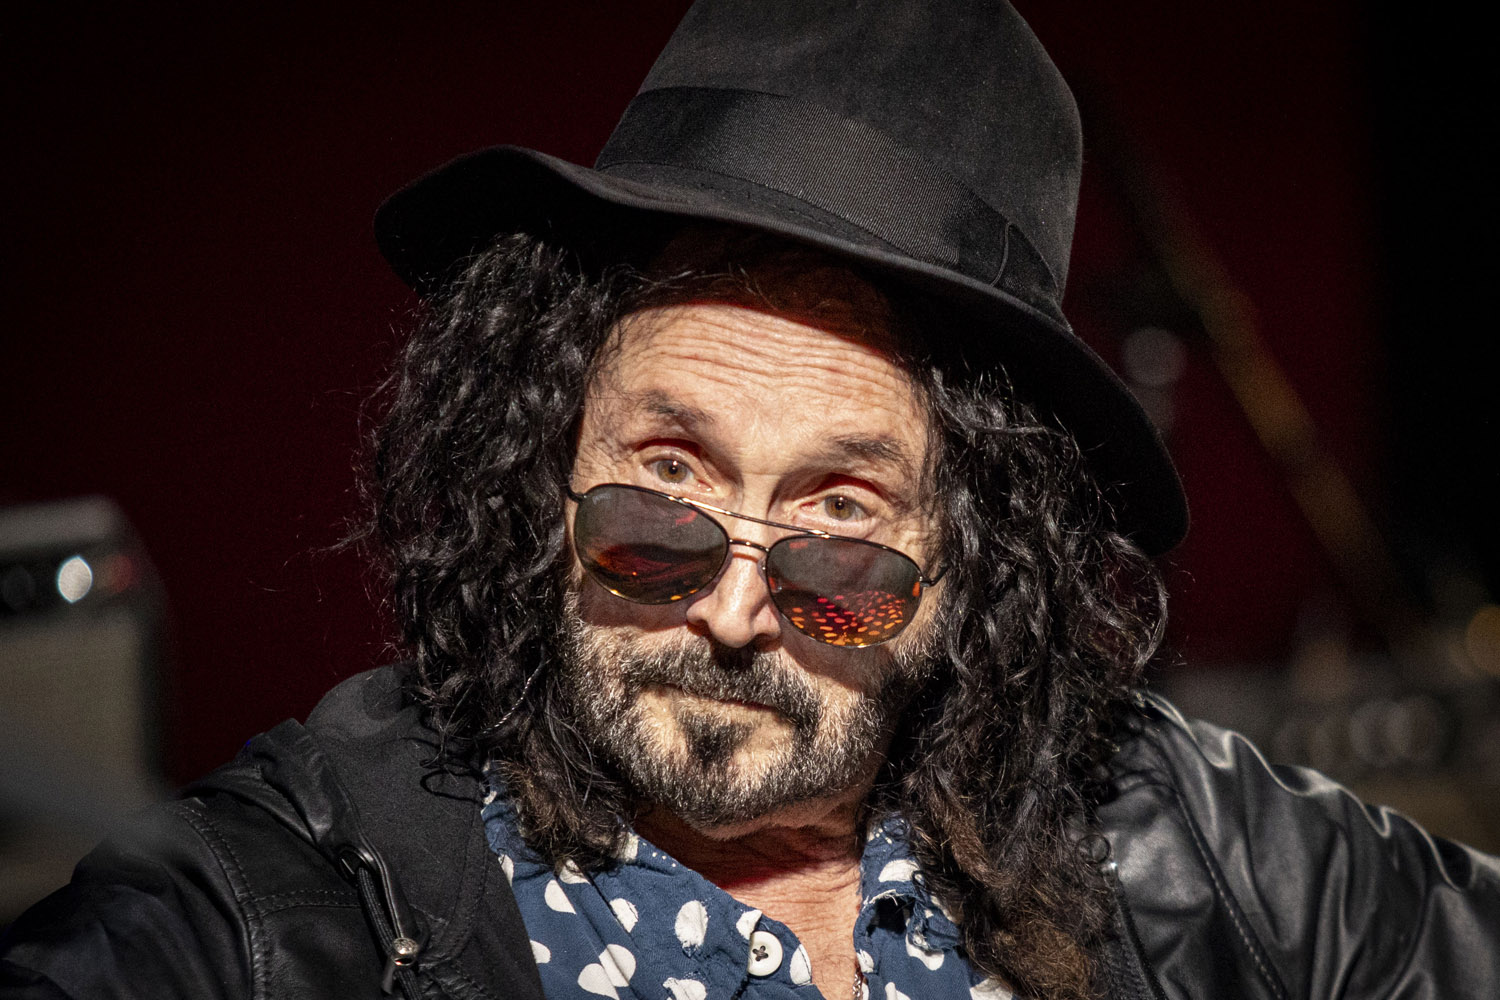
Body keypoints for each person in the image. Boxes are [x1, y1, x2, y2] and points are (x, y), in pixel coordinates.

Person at [2, 1, 1496, 998]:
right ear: (539, 468)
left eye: (840, 526)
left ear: (978, 560)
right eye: (664, 490)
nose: (727, 612)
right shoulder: (277, 906)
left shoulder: (1184, 836)